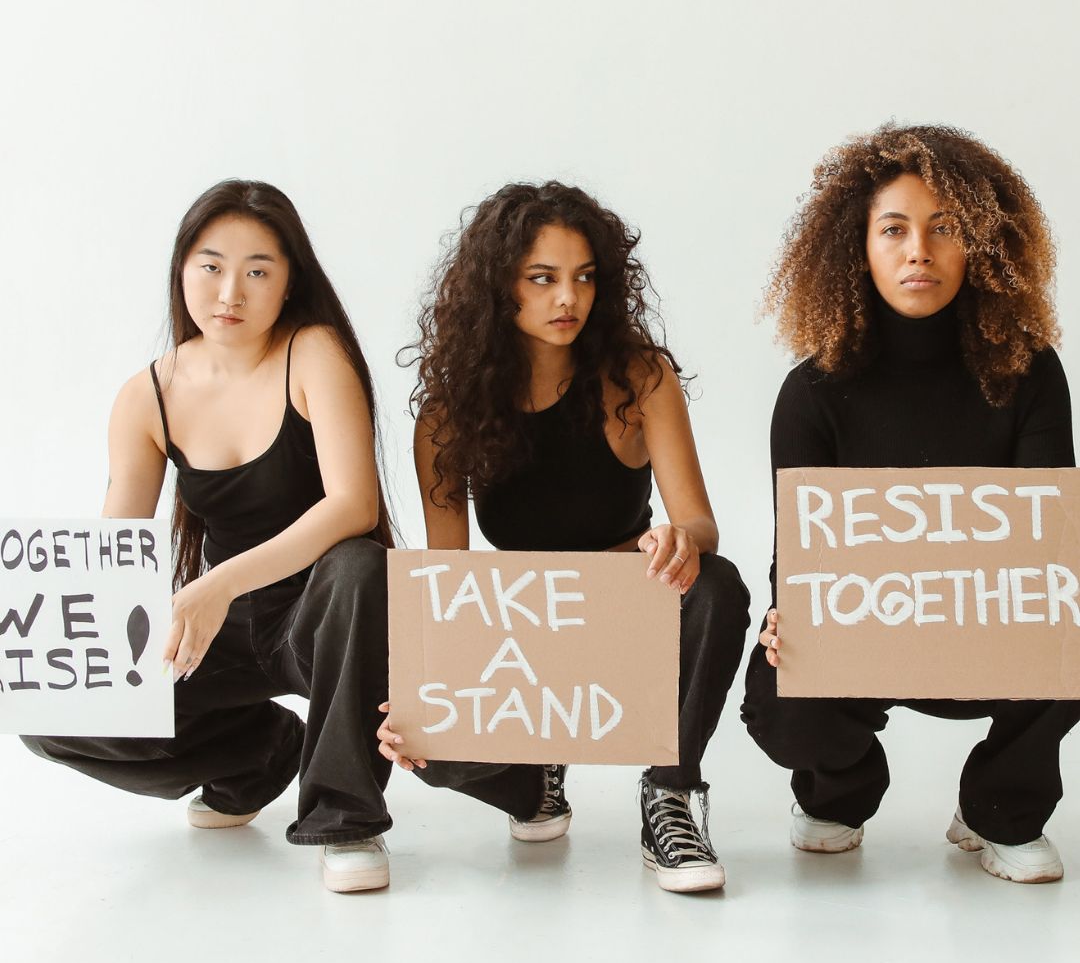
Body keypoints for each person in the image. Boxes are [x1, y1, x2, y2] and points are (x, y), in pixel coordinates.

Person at [23, 180, 396, 893]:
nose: (232, 290)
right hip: (218, 634)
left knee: (358, 562)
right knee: (44, 705)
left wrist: (217, 583)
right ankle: (259, 753)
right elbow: (114, 555)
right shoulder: (147, 396)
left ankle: (345, 818)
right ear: (181, 269)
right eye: (212, 264)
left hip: (325, 619)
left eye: (259, 270)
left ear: (290, 283)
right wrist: (45, 639)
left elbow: (353, 504)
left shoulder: (313, 351)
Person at [384, 181, 751, 892]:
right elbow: (447, 576)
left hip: (628, 610)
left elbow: (700, 522)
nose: (568, 300)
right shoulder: (449, 415)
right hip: (528, 638)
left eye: (584, 278)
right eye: (543, 279)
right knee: (427, 750)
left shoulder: (639, 379)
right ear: (499, 287)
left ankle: (670, 795)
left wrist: (678, 539)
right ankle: (535, 781)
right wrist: (422, 692)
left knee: (719, 584)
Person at [742, 124, 1077, 883]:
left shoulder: (1029, 371)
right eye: (893, 229)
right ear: (855, 247)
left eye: (944, 227)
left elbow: (1050, 541)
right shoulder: (812, 392)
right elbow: (798, 559)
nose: (917, 250)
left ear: (982, 243)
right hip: (864, 638)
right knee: (779, 696)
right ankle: (841, 792)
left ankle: (1000, 808)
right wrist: (784, 617)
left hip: (994, 635)